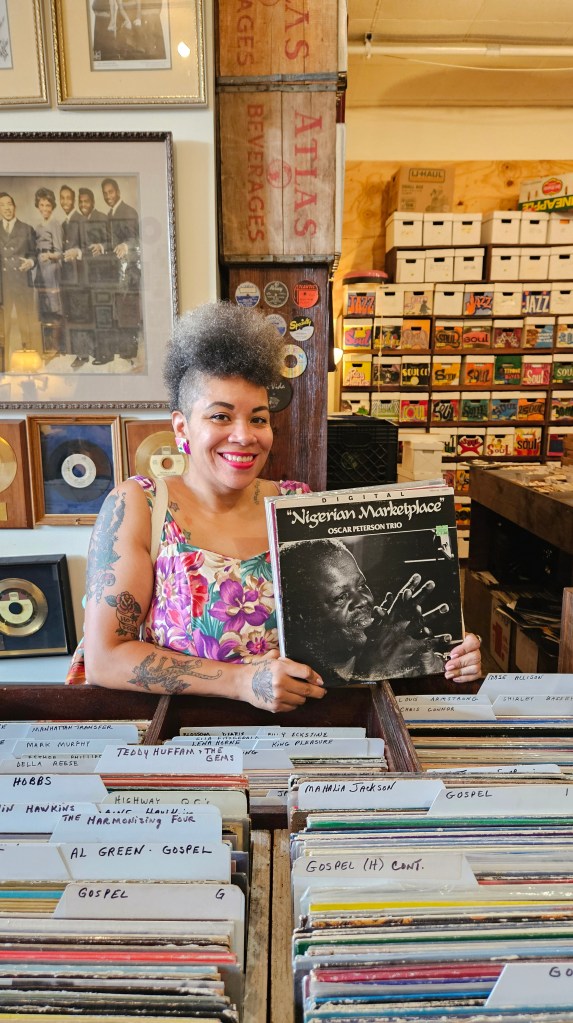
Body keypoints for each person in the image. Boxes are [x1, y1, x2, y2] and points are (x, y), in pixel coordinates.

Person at [72, 302, 481, 711]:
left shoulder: (295, 505)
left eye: (258, 419)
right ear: (182, 427)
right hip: (185, 732)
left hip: (297, 732)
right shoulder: (141, 505)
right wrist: (241, 682)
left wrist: (447, 653)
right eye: (221, 417)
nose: (244, 436)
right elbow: (105, 658)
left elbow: (337, 651)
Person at [279, 538, 474, 685]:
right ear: (303, 616)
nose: (364, 600)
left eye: (361, 585)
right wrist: (374, 672)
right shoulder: (289, 678)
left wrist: (435, 669)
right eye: (341, 597)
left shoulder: (394, 652)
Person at [0, 192, 40, 363]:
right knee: (2, 326)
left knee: (26, 323)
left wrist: (30, 262)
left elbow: (34, 254)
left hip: (22, 283)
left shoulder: (26, 229)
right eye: (2, 205)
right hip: (2, 285)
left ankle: (29, 363)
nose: (6, 208)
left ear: (15, 206)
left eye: (9, 204)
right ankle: (3, 365)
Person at [33, 187, 64, 356]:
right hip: (40, 269)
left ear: (52, 206)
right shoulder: (38, 226)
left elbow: (60, 252)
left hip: (51, 269)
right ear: (38, 206)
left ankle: (57, 347)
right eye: (42, 205)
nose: (45, 208)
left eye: (48, 205)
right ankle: (47, 346)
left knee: (54, 308)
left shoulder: (55, 224)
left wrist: (48, 256)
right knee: (44, 307)